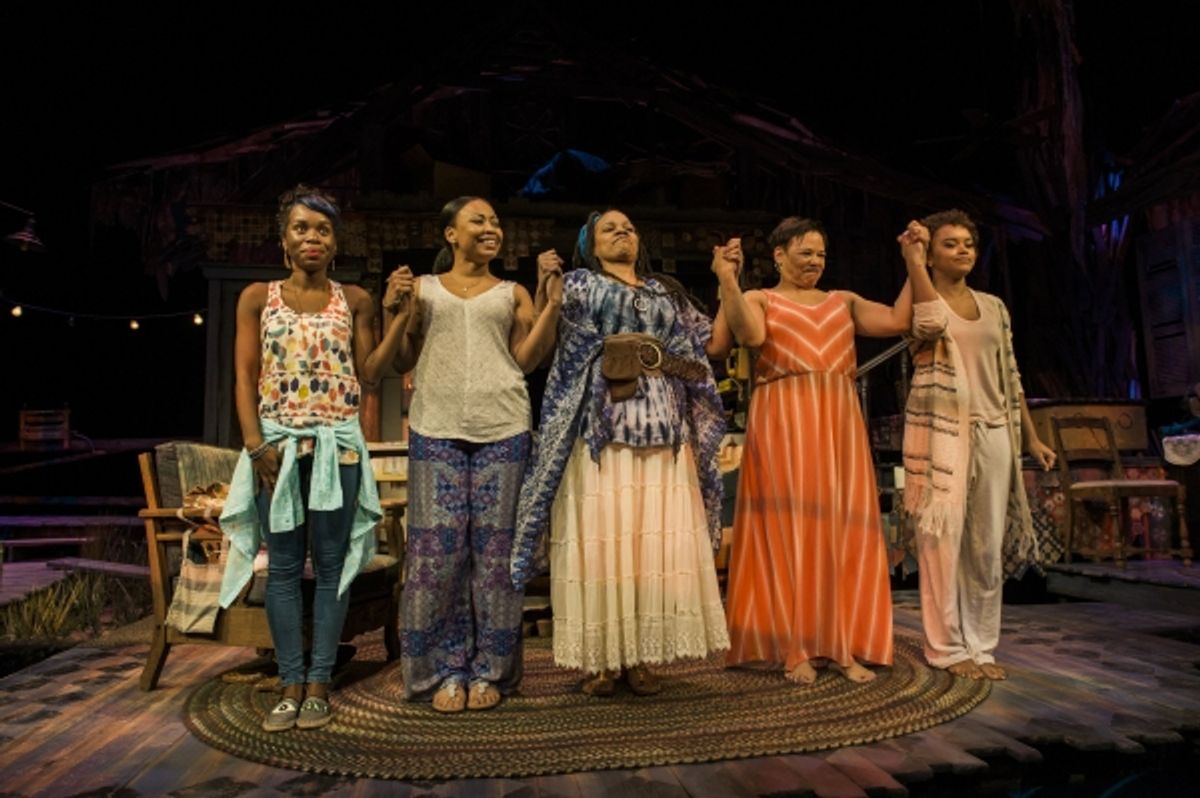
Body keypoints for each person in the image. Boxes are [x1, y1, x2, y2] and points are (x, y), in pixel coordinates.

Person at [511, 209, 731, 697]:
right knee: (603, 540)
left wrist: (727, 280)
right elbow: (547, 352)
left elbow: (706, 347)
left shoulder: (664, 292)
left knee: (649, 544)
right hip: (601, 432)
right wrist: (549, 292)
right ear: (590, 244)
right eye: (610, 228)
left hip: (663, 429)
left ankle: (641, 657)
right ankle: (602, 661)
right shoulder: (579, 286)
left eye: (630, 227)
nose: (623, 232)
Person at [375, 196, 562, 712]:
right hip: (436, 428)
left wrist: (551, 304)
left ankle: (490, 672)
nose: (490, 228)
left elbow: (526, 359)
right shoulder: (426, 290)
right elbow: (403, 358)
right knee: (438, 558)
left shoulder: (511, 292)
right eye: (478, 220)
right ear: (450, 234)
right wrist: (397, 308)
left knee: (497, 560)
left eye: (496, 222)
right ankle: (443, 669)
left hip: (503, 428)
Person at [715, 216, 920, 684]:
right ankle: (795, 646)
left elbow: (898, 320)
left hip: (838, 419)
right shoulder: (759, 298)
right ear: (780, 255)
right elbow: (750, 337)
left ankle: (842, 644)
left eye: (821, 254)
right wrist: (728, 279)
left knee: (840, 527)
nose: (815, 262)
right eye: (805, 252)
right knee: (792, 529)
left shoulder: (841, 301)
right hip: (784, 416)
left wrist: (912, 263)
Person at [220, 184, 388, 732]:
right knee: (286, 568)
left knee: (334, 567)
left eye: (323, 229)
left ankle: (320, 682)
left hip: (337, 449)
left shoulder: (355, 300)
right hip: (277, 450)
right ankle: (290, 681)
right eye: (301, 228)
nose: (312, 237)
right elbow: (245, 376)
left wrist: (397, 314)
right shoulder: (257, 297)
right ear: (283, 240)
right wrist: (255, 445)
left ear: (335, 243)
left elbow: (368, 374)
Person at [899, 210, 1056, 681]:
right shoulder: (920, 300)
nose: (963, 250)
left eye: (968, 242)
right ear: (932, 253)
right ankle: (946, 647)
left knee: (984, 546)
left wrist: (1030, 435)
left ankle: (981, 645)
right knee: (941, 542)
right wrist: (914, 260)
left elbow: (1011, 376)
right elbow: (926, 323)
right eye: (950, 244)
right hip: (944, 432)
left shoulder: (994, 307)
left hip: (995, 431)